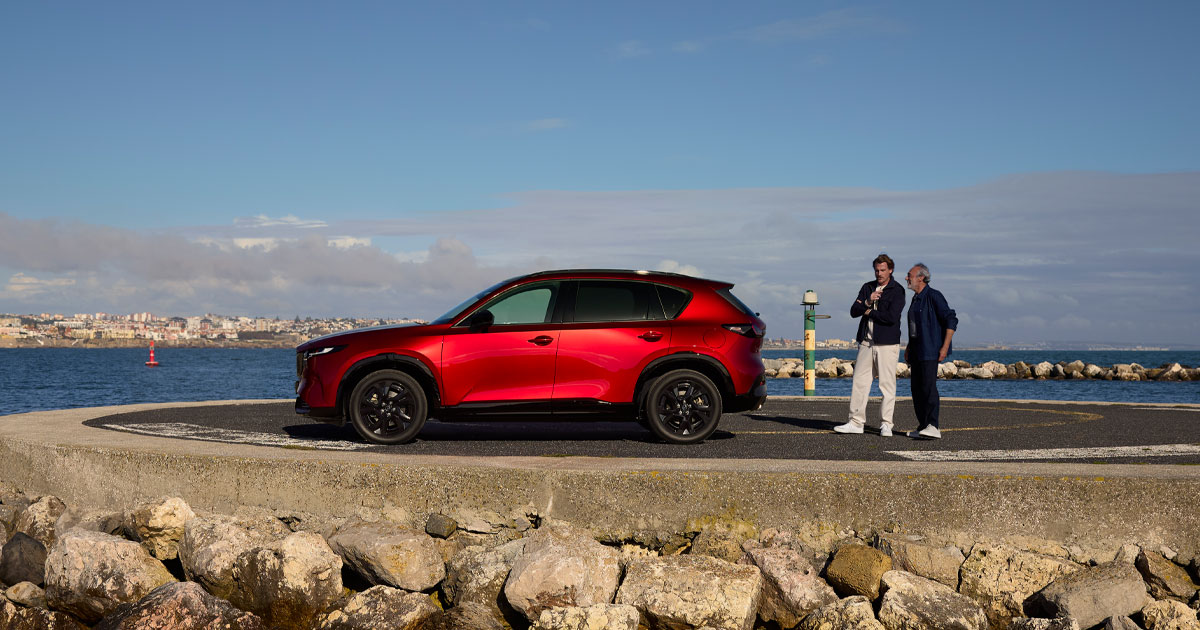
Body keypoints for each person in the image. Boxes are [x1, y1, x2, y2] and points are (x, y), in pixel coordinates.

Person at [834, 254, 906, 436]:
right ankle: (856, 422)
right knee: (859, 382)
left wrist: (868, 311)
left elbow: (891, 318)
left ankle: (886, 424)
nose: (879, 273)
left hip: (887, 344)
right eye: (876, 270)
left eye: (882, 270)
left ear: (890, 270)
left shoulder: (897, 290)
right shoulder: (867, 287)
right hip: (866, 343)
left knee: (887, 385)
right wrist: (868, 301)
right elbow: (853, 311)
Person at [903, 263, 958, 439]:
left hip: (930, 350)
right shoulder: (915, 299)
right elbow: (914, 328)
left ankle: (933, 425)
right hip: (916, 351)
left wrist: (944, 346)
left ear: (921, 277)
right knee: (916, 390)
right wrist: (909, 347)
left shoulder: (934, 296)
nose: (906, 278)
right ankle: (923, 426)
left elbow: (951, 320)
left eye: (909, 275)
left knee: (928, 388)